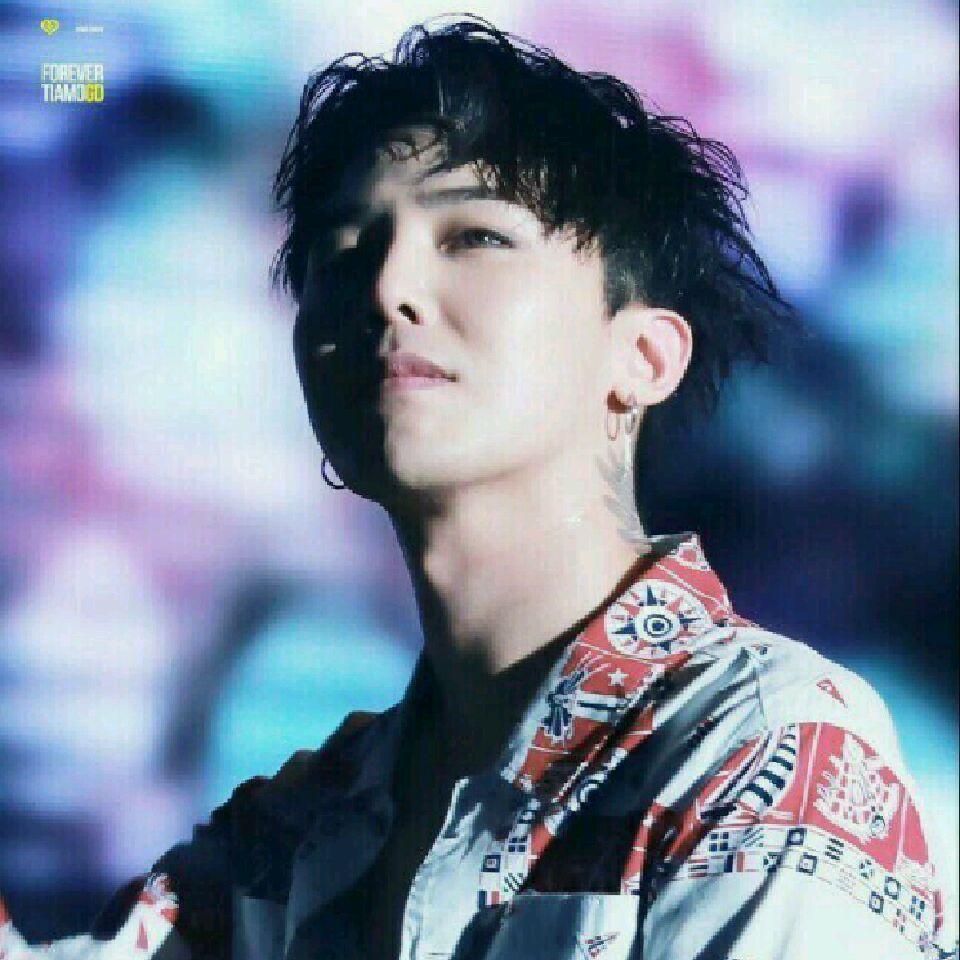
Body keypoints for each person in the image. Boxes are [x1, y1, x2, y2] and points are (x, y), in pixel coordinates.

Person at [1, 17, 954, 960]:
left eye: (475, 236)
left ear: (644, 357)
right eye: (342, 250)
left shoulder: (757, 746)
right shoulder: (298, 831)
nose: (387, 287)